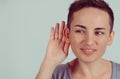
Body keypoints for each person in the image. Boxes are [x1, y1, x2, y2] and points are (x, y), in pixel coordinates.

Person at [36, 0, 120, 79]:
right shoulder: (53, 74)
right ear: (68, 35)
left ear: (110, 37)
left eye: (99, 33)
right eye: (80, 31)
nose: (89, 42)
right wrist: (49, 62)